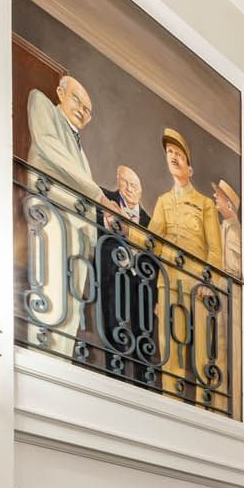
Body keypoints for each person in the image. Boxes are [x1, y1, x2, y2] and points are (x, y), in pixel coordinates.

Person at [22, 76, 101, 352]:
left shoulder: (80, 147)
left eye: (88, 109)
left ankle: (62, 360)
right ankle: (45, 357)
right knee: (51, 300)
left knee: (71, 311)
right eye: (76, 99)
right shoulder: (41, 103)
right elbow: (49, 147)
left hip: (79, 235)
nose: (81, 109)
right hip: (52, 219)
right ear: (60, 93)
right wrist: (99, 195)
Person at [147, 129, 225, 400]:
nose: (174, 158)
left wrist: (208, 281)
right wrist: (123, 225)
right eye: (170, 154)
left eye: (179, 154)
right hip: (168, 282)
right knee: (171, 348)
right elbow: (151, 241)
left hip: (197, 285)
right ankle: (173, 401)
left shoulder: (204, 204)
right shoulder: (163, 202)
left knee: (204, 349)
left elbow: (215, 249)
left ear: (190, 168)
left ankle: (209, 405)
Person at [94, 165, 160, 387]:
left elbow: (156, 258)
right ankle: (116, 380)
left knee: (144, 334)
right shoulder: (103, 200)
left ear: (141, 191)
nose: (130, 189)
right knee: (114, 326)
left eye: (135, 185)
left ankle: (144, 385)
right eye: (126, 183)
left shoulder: (150, 222)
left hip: (141, 285)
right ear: (117, 181)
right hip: (112, 278)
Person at [212, 180, 242, 279]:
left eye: (219, 194)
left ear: (229, 205)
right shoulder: (222, 228)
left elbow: (234, 273)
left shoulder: (235, 231)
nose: (214, 195)